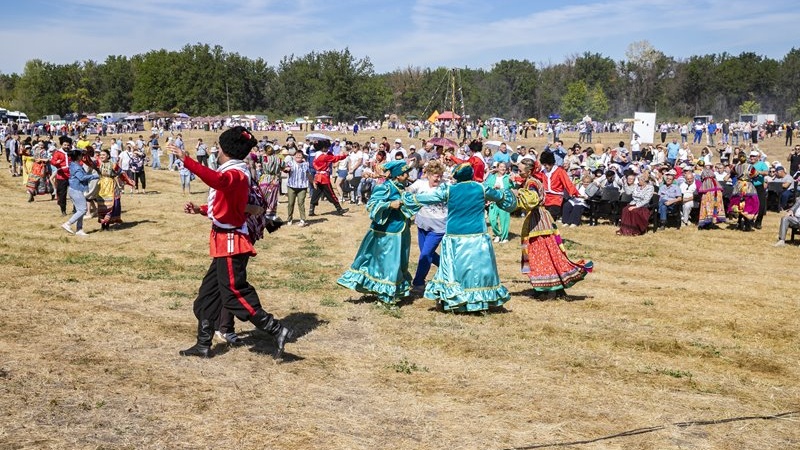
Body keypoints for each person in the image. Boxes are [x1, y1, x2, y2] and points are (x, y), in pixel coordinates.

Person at [170, 126, 293, 359]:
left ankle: (277, 329)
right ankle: (203, 344)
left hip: (231, 241)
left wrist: (186, 159)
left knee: (234, 293)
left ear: (223, 149)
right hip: (223, 239)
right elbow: (229, 207)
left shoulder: (235, 174)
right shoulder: (235, 171)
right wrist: (201, 210)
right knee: (208, 295)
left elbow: (218, 181)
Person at [401, 163, 517, 312]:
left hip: (455, 236)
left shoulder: (449, 189)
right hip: (477, 236)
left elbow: (425, 198)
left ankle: (453, 299)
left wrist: (407, 198)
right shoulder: (481, 188)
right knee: (478, 270)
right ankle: (480, 300)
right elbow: (503, 198)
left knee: (454, 269)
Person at [338, 160, 415, 305]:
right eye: (404, 173)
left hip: (401, 230)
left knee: (399, 262)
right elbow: (372, 204)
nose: (407, 175)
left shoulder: (402, 187)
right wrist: (389, 204)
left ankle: (393, 291)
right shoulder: (385, 187)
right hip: (387, 233)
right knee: (387, 264)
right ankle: (385, 296)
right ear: (397, 175)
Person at [516, 159, 592, 298]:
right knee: (541, 254)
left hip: (539, 222)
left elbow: (531, 200)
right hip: (536, 219)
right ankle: (547, 288)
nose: (518, 172)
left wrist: (517, 194)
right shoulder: (529, 181)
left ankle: (549, 289)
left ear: (528, 171)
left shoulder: (532, 183)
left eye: (520, 170)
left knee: (542, 254)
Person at [405, 160, 447, 294]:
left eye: (440, 175)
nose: (438, 178)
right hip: (422, 225)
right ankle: (450, 269)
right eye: (435, 175)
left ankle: (418, 283)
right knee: (427, 253)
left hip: (439, 228)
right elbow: (406, 192)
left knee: (425, 255)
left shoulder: (446, 187)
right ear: (428, 174)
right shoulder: (420, 184)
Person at [61, 149, 100, 236]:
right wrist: (95, 176)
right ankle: (68, 224)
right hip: (76, 190)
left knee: (79, 210)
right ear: (78, 157)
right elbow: (82, 178)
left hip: (74, 189)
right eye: (81, 156)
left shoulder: (74, 165)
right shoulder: (77, 167)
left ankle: (79, 229)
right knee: (83, 210)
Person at [309, 139, 349, 216]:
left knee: (316, 193)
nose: (328, 149)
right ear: (323, 148)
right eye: (327, 147)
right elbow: (334, 159)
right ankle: (339, 209)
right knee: (331, 193)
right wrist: (345, 156)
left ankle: (311, 210)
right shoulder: (323, 156)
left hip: (318, 177)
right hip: (324, 177)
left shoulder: (316, 155)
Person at [539, 150, 579, 221]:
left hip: (556, 198)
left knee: (551, 218)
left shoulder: (560, 171)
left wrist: (575, 193)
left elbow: (567, 183)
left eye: (547, 164)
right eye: (544, 165)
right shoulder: (543, 172)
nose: (546, 166)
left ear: (551, 163)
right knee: (543, 219)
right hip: (546, 198)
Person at [95, 149, 127, 230]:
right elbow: (88, 162)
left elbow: (121, 173)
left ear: (108, 156)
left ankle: (107, 224)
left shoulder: (113, 165)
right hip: (102, 186)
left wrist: (129, 181)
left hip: (111, 185)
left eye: (103, 155)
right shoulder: (98, 163)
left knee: (112, 204)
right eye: (100, 155)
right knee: (103, 205)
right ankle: (103, 225)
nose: (101, 156)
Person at [483, 162, 514, 240]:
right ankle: (498, 234)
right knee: (492, 219)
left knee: (504, 220)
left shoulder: (507, 177)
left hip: (504, 201)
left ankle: (504, 237)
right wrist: (494, 187)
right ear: (497, 168)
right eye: (501, 167)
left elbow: (512, 186)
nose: (503, 168)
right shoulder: (492, 177)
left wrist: (511, 181)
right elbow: (487, 187)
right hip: (493, 201)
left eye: (504, 167)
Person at [728, 160, 759, 231]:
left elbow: (732, 173)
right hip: (748, 187)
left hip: (738, 186)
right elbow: (756, 175)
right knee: (748, 204)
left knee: (738, 203)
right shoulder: (750, 167)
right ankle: (747, 223)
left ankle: (740, 222)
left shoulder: (736, 167)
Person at [284, 149, 310, 226]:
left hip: (302, 186)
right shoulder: (290, 163)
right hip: (292, 186)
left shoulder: (306, 164)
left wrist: (313, 182)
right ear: (294, 156)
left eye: (300, 155)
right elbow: (286, 169)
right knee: (291, 203)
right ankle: (289, 219)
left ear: (302, 156)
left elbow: (308, 174)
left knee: (301, 202)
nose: (298, 156)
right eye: (297, 155)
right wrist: (286, 169)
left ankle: (302, 219)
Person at [696, 164, 726, 229]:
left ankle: (707, 223)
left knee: (706, 207)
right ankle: (711, 222)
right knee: (714, 207)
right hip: (716, 194)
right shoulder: (715, 182)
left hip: (709, 195)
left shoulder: (705, 183)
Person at [50, 136, 72, 215]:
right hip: (61, 176)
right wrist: (57, 162)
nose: (66, 146)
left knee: (74, 192)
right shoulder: (57, 153)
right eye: (65, 145)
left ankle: (75, 208)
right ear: (61, 145)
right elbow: (52, 161)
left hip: (71, 175)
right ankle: (63, 209)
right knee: (62, 194)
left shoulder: (71, 152)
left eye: (68, 145)